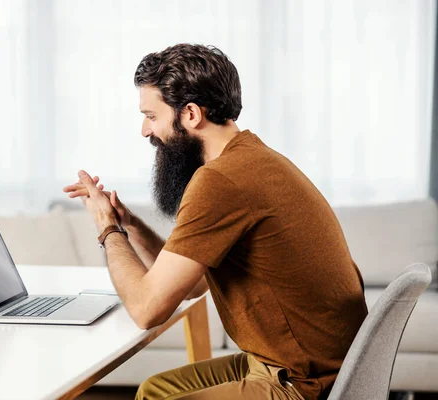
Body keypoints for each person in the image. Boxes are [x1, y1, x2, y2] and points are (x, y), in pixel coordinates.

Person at [63, 43, 368, 400]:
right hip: (311, 363)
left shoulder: (221, 181)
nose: (146, 131)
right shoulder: (251, 159)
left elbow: (147, 310)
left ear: (190, 114)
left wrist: (106, 228)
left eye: (152, 115)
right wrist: (128, 224)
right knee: (155, 390)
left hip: (302, 382)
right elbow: (192, 287)